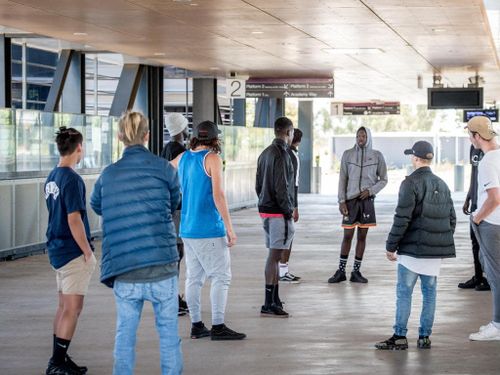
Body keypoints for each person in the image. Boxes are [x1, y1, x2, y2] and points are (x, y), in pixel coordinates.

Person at [90, 111, 182, 375]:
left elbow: (96, 204)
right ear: (147, 136)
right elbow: (176, 201)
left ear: (120, 137)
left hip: (125, 267)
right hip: (162, 266)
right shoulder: (164, 168)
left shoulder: (109, 175)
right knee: (168, 337)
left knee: (125, 336)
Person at [375, 141, 456, 350]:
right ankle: (424, 337)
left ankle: (400, 336)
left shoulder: (410, 183)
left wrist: (391, 246)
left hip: (411, 252)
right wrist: (437, 243)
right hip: (433, 255)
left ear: (415, 158)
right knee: (430, 294)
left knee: (404, 292)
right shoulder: (442, 184)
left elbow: (402, 218)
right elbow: (451, 219)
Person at [171, 120, 246, 341]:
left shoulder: (183, 157)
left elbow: (165, 168)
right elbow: (218, 195)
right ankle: (218, 326)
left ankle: (196, 325)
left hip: (187, 228)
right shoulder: (212, 158)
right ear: (214, 138)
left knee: (194, 278)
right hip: (209, 228)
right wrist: (230, 228)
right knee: (221, 277)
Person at [44, 127, 96, 375]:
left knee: (63, 307)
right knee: (73, 309)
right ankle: (56, 363)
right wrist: (87, 251)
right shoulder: (72, 179)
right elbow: (74, 218)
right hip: (71, 250)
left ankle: (59, 358)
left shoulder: (52, 176)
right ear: (78, 148)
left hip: (56, 247)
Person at [328, 126, 387, 284]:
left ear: (368, 137)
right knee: (347, 236)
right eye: (358, 135)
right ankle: (340, 271)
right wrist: (341, 200)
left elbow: (384, 179)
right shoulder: (347, 155)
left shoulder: (377, 156)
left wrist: (371, 191)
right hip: (350, 201)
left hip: (367, 201)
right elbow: (342, 179)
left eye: (363, 136)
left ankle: (356, 271)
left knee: (362, 236)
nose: (360, 138)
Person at [256, 117, 295, 317]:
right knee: (275, 256)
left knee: (275, 254)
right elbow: (283, 187)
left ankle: (275, 298)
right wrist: (288, 210)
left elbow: (257, 184)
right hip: (278, 212)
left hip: (266, 209)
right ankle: (269, 303)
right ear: (288, 132)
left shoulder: (264, 153)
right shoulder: (282, 154)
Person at [465, 116, 500, 341]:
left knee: (495, 276)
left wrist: (477, 218)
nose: (470, 139)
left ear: (477, 136)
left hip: (492, 225)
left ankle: (497, 326)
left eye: (470, 135)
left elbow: (495, 198)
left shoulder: (488, 161)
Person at [161, 113, 190, 316]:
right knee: (176, 253)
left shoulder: (165, 149)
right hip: (176, 208)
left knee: (174, 254)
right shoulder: (179, 151)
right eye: (186, 126)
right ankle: (172, 299)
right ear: (181, 129)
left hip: (169, 207)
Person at [458, 144, 490, 291]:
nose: (470, 137)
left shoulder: (493, 150)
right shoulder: (474, 148)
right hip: (475, 204)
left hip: (488, 205)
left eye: (471, 133)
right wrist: (469, 196)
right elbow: (474, 174)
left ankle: (491, 279)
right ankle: (478, 277)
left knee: (488, 245)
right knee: (475, 243)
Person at [279, 128, 303, 283]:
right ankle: (283, 271)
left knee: (282, 237)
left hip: (277, 201)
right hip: (287, 202)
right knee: (288, 236)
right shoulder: (293, 156)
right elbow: (294, 184)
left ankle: (281, 270)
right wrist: (295, 206)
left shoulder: (281, 153)